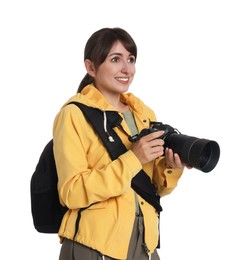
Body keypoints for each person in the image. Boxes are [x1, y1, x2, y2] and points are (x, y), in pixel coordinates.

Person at [53, 27, 188, 260]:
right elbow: (71, 192)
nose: (127, 69)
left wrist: (171, 166)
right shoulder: (74, 115)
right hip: (95, 244)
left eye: (131, 59)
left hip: (144, 240)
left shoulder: (143, 114)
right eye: (115, 59)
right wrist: (133, 158)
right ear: (91, 67)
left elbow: (150, 188)